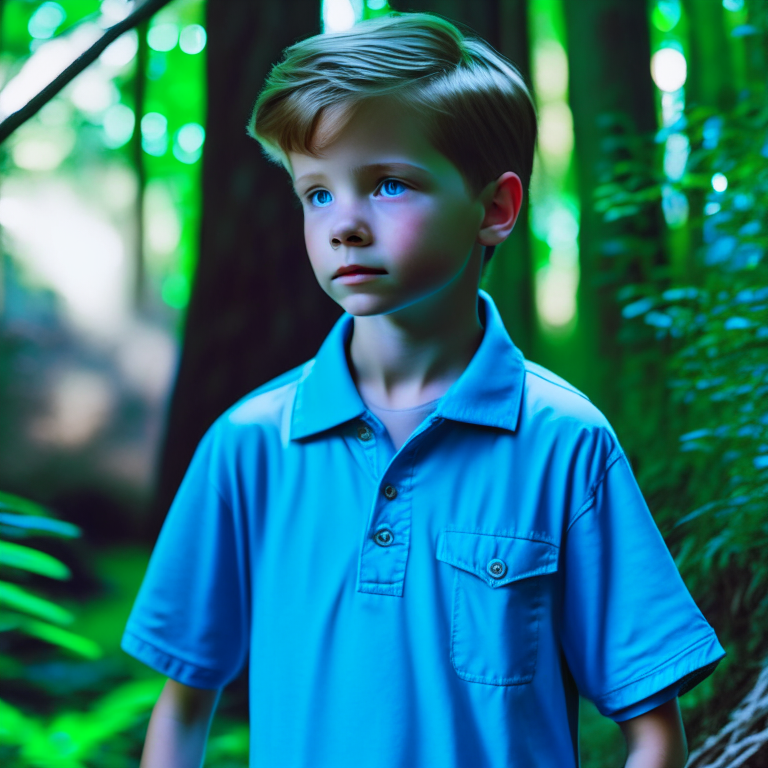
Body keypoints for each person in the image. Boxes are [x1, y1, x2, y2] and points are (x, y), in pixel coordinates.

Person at [123, 12, 725, 768]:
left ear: (495, 210)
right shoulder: (248, 446)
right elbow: (181, 710)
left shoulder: (566, 444)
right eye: (316, 194)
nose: (344, 223)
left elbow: (653, 731)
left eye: (387, 184)